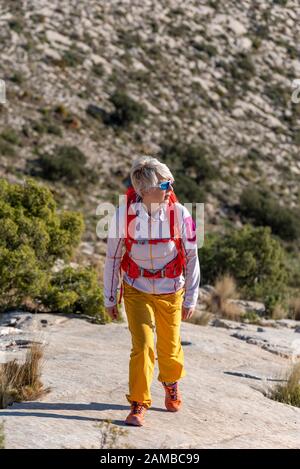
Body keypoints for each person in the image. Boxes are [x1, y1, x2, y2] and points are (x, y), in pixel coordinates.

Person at [103, 156, 200, 426]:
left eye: (170, 183)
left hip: (171, 290)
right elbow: (112, 257)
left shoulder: (181, 214)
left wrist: (191, 297)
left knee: (169, 349)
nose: (170, 188)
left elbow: (192, 258)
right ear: (145, 191)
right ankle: (138, 403)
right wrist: (110, 297)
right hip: (137, 290)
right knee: (143, 346)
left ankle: (171, 383)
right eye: (165, 184)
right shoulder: (123, 216)